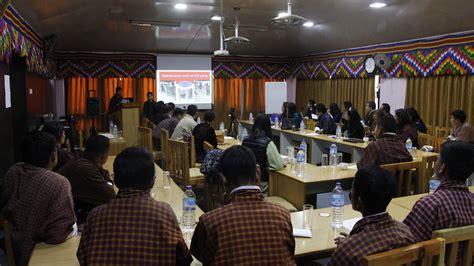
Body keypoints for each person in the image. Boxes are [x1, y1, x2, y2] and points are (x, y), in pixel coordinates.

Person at [77, 147, 192, 265]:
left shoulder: (95, 215)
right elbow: (184, 258)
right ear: (152, 181)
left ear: (115, 180)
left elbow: (82, 257)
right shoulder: (164, 212)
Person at [191, 145, 295, 265]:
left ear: (223, 179)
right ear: (257, 173)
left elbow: (200, 255)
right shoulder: (283, 215)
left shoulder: (209, 222)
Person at [1, 131, 77, 265]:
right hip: (40, 253)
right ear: (53, 155)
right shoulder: (59, 183)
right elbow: (58, 235)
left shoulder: (14, 171)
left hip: (15, 245)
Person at [329, 166, 416, 265]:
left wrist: (351, 243)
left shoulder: (348, 251)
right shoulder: (405, 233)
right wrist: (353, 240)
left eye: (351, 191)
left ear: (359, 200)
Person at [403, 141, 474, 242]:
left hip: (436, 257)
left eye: (437, 160)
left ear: (442, 168)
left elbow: (409, 243)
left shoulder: (429, 204)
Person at [57, 135, 115, 224]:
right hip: (69, 217)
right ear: (104, 157)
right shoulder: (86, 169)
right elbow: (110, 195)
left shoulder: (80, 160)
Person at [242, 114, 284, 185]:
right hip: (261, 182)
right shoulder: (267, 142)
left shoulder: (245, 140)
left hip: (246, 180)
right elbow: (278, 166)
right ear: (268, 126)